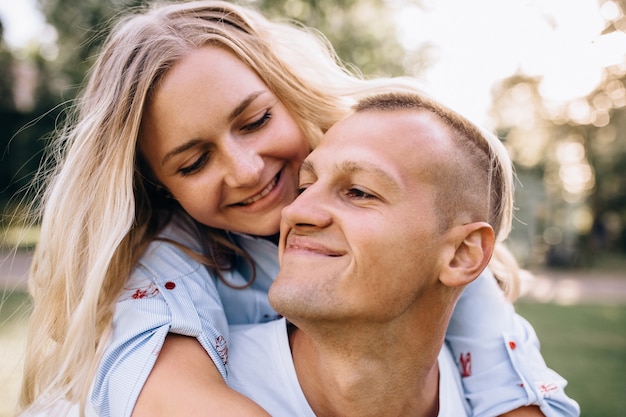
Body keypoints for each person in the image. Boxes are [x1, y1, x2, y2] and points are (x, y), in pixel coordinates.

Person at [16, 1, 579, 417]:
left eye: (256, 121)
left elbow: (510, 385)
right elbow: (171, 397)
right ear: (162, 188)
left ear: (291, 93)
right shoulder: (169, 259)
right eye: (193, 163)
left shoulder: (420, 229)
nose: (246, 170)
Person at [222, 90, 546, 416]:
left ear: (462, 254)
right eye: (305, 186)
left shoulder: (493, 401)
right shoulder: (206, 387)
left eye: (359, 192)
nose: (295, 211)